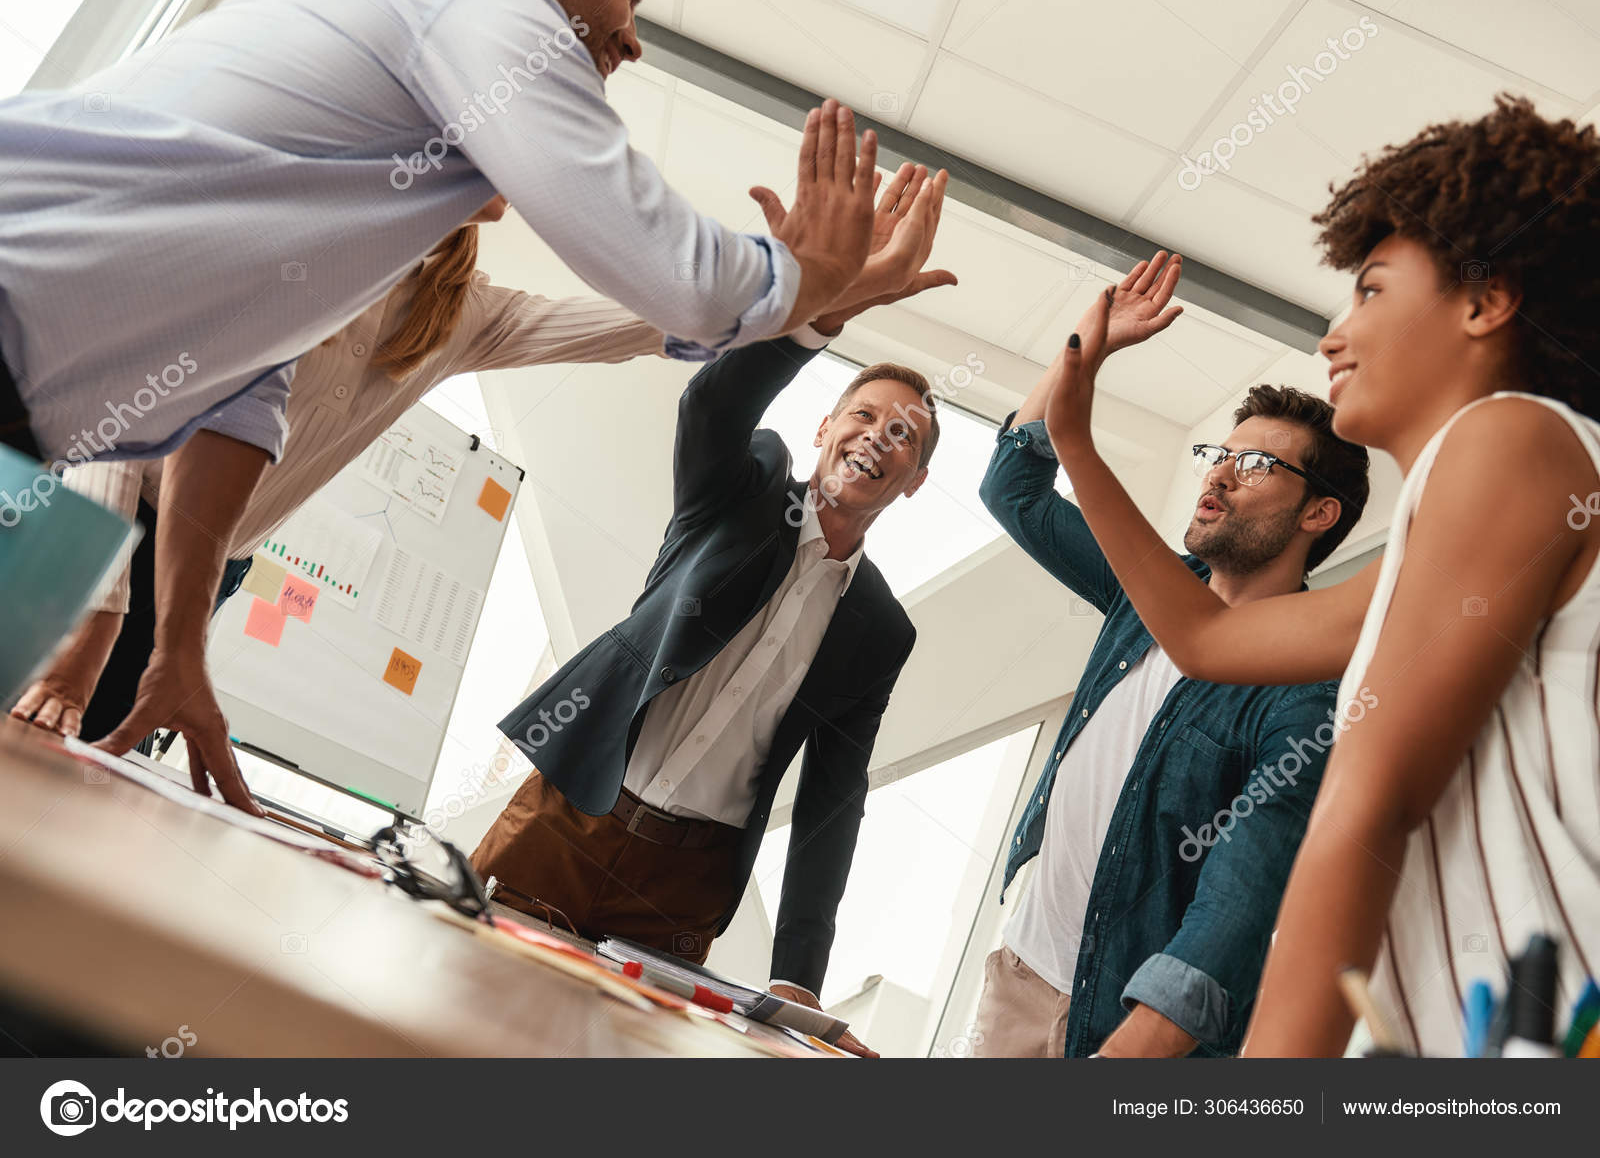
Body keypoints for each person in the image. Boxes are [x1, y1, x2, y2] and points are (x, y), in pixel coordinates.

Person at [0, 0, 940, 807]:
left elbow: (239, 406)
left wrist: (182, 639)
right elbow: (682, 281)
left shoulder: (345, 231)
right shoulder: (486, 12)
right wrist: (806, 273)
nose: (635, 40)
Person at [1037, 97, 1600, 1057]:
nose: (1334, 337)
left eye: (1372, 291)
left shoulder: (1509, 440)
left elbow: (1366, 810)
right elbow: (1206, 640)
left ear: (1483, 298)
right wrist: (1072, 439)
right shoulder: (1470, 519)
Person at [470, 175, 954, 1057]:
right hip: (569, 820)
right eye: (866, 415)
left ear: (914, 481)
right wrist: (830, 304)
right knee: (452, 1014)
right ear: (823, 431)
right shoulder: (745, 488)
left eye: (906, 436)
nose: (880, 437)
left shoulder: (883, 630)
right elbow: (713, 402)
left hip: (685, 884)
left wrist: (800, 969)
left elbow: (833, 797)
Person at [9, 193, 663, 749]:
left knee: (72, 783)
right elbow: (118, 408)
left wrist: (759, 294)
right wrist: (97, 602)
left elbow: (626, 327)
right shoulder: (299, 235)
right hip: (94, 520)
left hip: (199, 579)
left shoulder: (462, 313)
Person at [970, 253, 1371, 1057]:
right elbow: (1011, 486)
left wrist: (1144, 1043)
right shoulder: (1145, 589)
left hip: (1129, 1027)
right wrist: (1087, 348)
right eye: (1217, 454)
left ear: (1318, 513)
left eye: (1256, 464)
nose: (1219, 474)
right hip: (1021, 976)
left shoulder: (1305, 686)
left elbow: (1239, 899)